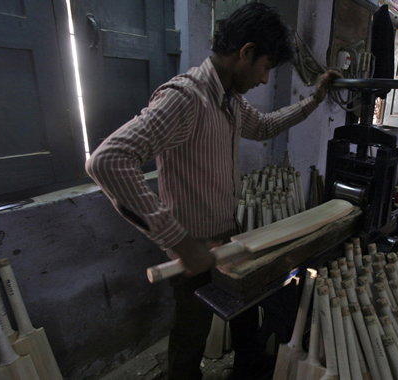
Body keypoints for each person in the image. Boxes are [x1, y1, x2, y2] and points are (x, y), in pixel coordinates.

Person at [85, 3, 339, 380]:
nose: (266, 80)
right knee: (191, 337)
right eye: (266, 67)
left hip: (227, 234)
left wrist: (314, 101)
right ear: (246, 52)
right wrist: (180, 241)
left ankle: (250, 367)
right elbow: (107, 161)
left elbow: (265, 126)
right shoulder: (186, 98)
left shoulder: (229, 101)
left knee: (245, 315)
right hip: (194, 248)